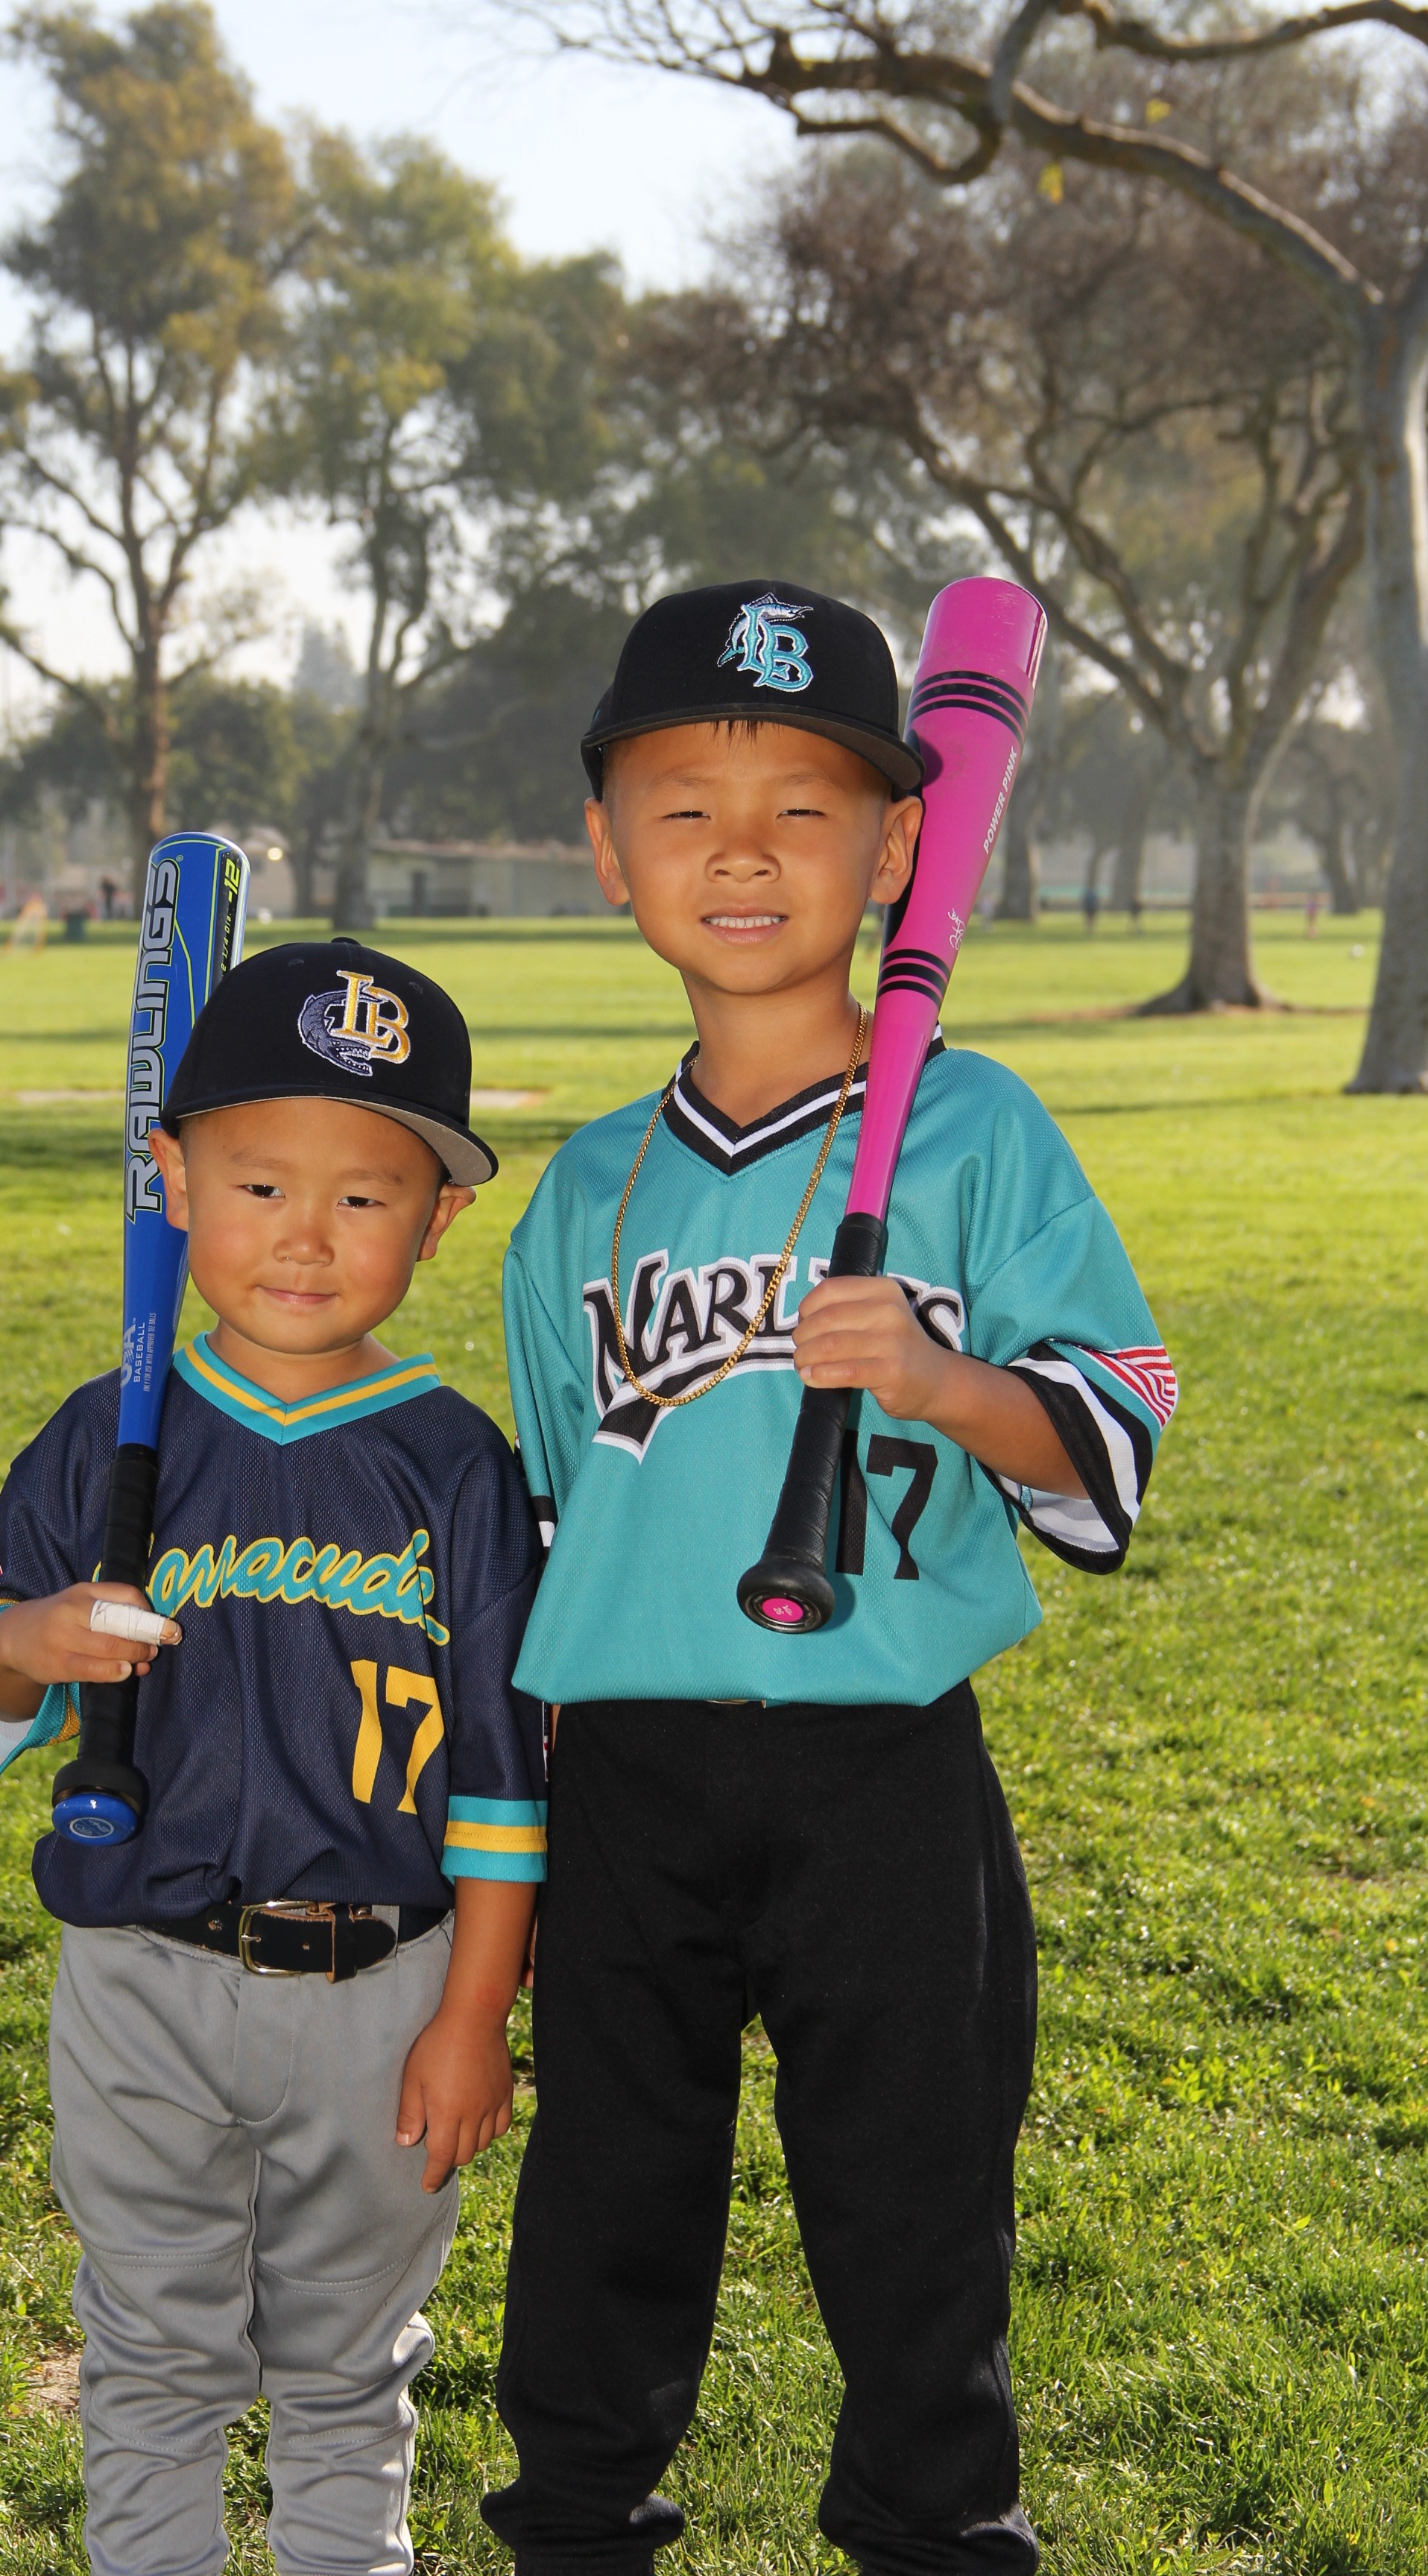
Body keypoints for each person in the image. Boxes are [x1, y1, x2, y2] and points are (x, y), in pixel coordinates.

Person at [479, 581, 1177, 2576]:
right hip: (628, 1772)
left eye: (804, 808)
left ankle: (938, 2533)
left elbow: (1114, 1430)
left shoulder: (975, 1130)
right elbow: (554, 1522)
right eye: (685, 809)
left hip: (887, 1773)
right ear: (609, 856)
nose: (744, 851)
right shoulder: (582, 1191)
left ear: (896, 853)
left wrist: (947, 1382)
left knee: (915, 2202)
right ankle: (580, 2527)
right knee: (607, 2199)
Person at [0, 939, 547, 2576]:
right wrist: (31, 1641)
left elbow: (506, 1781)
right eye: (262, 1182)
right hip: (142, 1974)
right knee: (152, 2354)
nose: (306, 1233)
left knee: (351, 2369)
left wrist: (475, 2018)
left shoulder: (455, 1466)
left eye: (366, 1195)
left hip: (388, 1991)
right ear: (174, 1181)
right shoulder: (106, 1431)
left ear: (439, 1220)